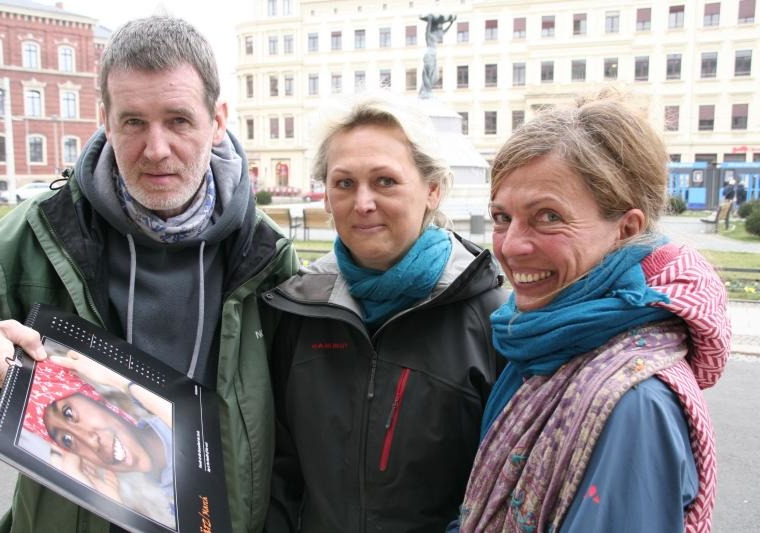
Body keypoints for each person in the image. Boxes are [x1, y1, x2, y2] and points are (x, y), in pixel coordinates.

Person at [0, 16, 297, 533]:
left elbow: (295, 438)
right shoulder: (43, 232)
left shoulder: (266, 254)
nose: (156, 148)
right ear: (105, 121)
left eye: (179, 120)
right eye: (134, 121)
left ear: (218, 119)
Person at [455, 91, 731, 532]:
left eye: (548, 217)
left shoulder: (633, 401)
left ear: (626, 229)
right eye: (502, 216)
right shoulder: (544, 342)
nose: (510, 245)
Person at [263, 94, 509, 532]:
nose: (362, 203)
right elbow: (281, 471)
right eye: (343, 184)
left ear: (432, 189)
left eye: (385, 182)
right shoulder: (299, 311)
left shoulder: (490, 318)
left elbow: (504, 488)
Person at [22, 355, 175, 529]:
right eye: (67, 440)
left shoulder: (180, 419)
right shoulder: (167, 495)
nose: (89, 440)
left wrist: (121, 383)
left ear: (94, 398)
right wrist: (115, 507)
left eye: (69, 413)